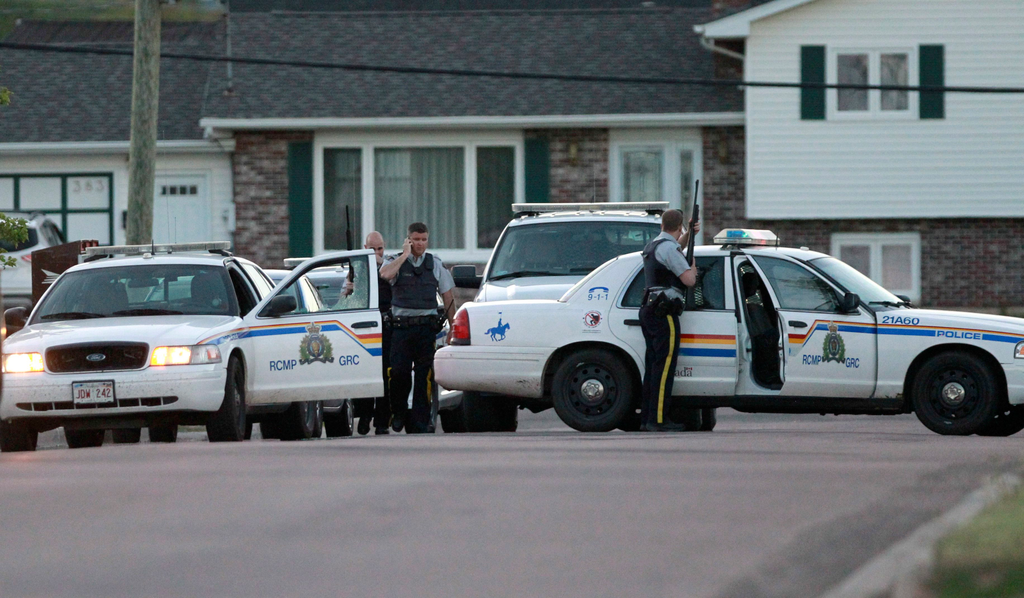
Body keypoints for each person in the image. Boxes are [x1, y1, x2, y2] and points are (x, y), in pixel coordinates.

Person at [378, 222, 456, 434]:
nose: (420, 244)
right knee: (399, 374)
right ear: (408, 240)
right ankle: (399, 412)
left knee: (424, 378)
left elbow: (448, 296)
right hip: (401, 330)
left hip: (425, 329)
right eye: (416, 240)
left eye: (423, 240)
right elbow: (384, 275)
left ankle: (421, 422)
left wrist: (453, 327)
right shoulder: (394, 260)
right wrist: (404, 255)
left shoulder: (435, 263)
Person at [639, 209, 699, 432]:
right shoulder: (669, 249)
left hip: (649, 308)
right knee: (665, 368)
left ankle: (647, 419)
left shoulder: (654, 245)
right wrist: (692, 265)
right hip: (664, 312)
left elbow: (674, 247)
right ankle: (659, 420)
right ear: (679, 227)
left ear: (662, 225)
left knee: (653, 367)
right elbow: (689, 280)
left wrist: (687, 236)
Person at [346, 231, 392, 435]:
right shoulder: (356, 269)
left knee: (385, 375)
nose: (376, 253)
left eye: (380, 248)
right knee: (365, 373)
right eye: (372, 249)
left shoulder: (390, 266)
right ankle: (364, 416)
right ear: (365, 249)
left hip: (386, 325)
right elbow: (346, 297)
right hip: (363, 328)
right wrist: (349, 289)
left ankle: (382, 422)